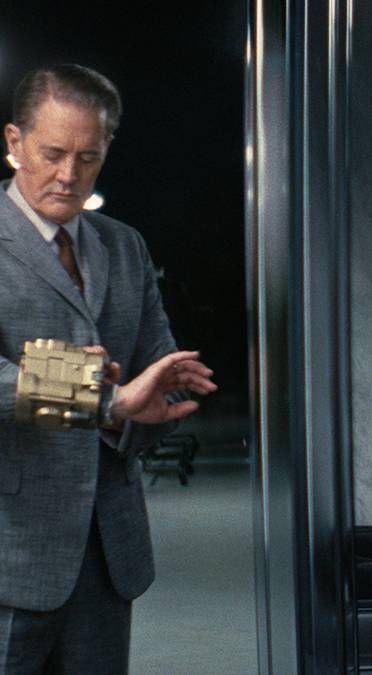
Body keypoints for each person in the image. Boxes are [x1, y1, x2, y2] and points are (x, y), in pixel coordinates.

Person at [0, 64, 217, 672]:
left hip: (107, 551)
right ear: (14, 141)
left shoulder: (124, 245)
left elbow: (158, 379)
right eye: (52, 154)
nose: (69, 175)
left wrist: (143, 410)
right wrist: (97, 396)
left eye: (88, 157)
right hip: (10, 551)